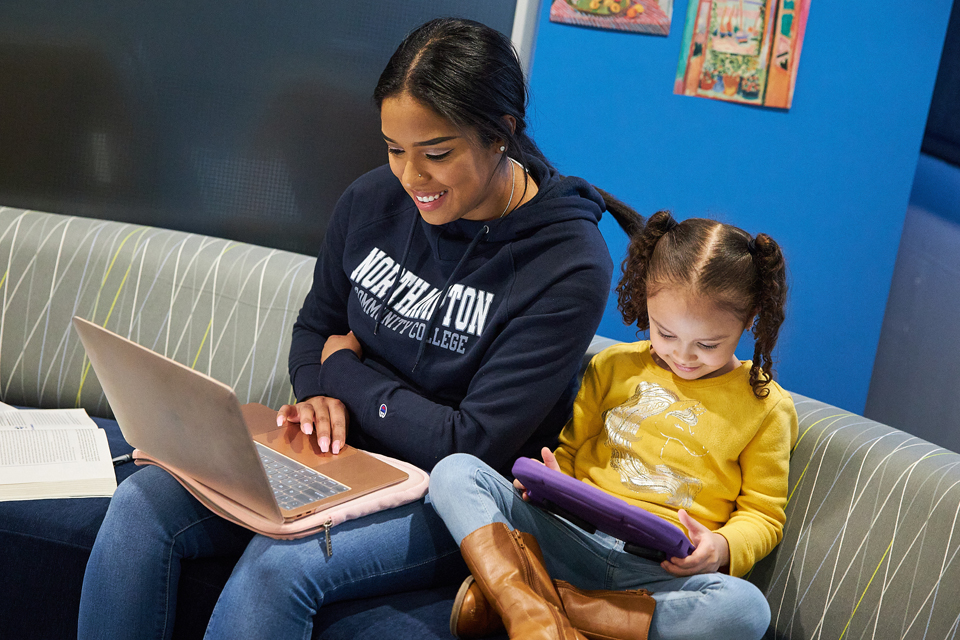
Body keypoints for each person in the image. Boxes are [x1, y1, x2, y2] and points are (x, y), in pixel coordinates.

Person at [77, 17, 644, 640]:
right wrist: (314, 390)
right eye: (394, 149)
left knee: (281, 568)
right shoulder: (373, 200)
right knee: (141, 506)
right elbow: (315, 325)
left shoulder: (567, 263)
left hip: (453, 500)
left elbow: (469, 442)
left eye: (437, 154)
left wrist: (342, 374)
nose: (410, 178)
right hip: (339, 455)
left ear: (500, 134)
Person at [429, 211, 799, 640]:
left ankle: (527, 606)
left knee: (746, 611)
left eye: (707, 344)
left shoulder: (766, 407)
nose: (683, 355)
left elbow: (763, 514)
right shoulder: (614, 366)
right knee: (454, 471)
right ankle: (543, 616)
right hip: (567, 538)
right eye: (666, 333)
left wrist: (724, 547)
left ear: (750, 319)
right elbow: (570, 454)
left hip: (658, 574)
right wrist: (551, 482)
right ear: (646, 300)